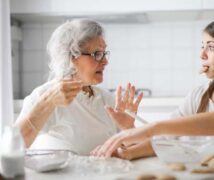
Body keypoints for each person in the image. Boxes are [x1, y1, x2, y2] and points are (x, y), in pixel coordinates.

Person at [93, 16, 214, 158]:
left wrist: (154, 127)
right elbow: (169, 139)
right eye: (202, 46)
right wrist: (126, 149)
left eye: (211, 47)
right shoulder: (199, 95)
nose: (202, 55)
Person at [14, 19, 145, 156]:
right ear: (71, 56)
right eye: (97, 54)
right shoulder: (44, 95)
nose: (105, 61)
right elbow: (13, 147)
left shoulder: (107, 100)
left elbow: (134, 152)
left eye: (104, 53)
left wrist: (128, 128)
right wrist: (47, 103)